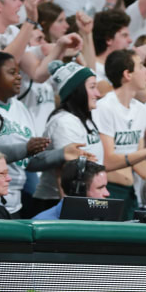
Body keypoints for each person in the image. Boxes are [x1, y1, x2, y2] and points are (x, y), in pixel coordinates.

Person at [0, 52, 90, 217]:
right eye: (12, 72)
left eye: (18, 72)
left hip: (13, 203)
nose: (18, 77)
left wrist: (62, 154)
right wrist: (25, 149)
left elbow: (28, 161)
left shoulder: (20, 108)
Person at [92, 49, 146, 219]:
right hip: (108, 190)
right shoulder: (105, 107)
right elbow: (107, 161)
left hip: (130, 192)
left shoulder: (140, 110)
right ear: (127, 74)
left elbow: (138, 163)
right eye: (141, 66)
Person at [34, 60, 106, 211]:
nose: (98, 94)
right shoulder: (64, 122)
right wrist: (69, 212)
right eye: (92, 87)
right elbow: (65, 172)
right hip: (56, 203)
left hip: (81, 198)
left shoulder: (84, 119)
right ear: (77, 91)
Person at [33, 158, 110, 219]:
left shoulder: (109, 220)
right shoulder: (42, 222)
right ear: (79, 192)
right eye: (100, 188)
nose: (107, 193)